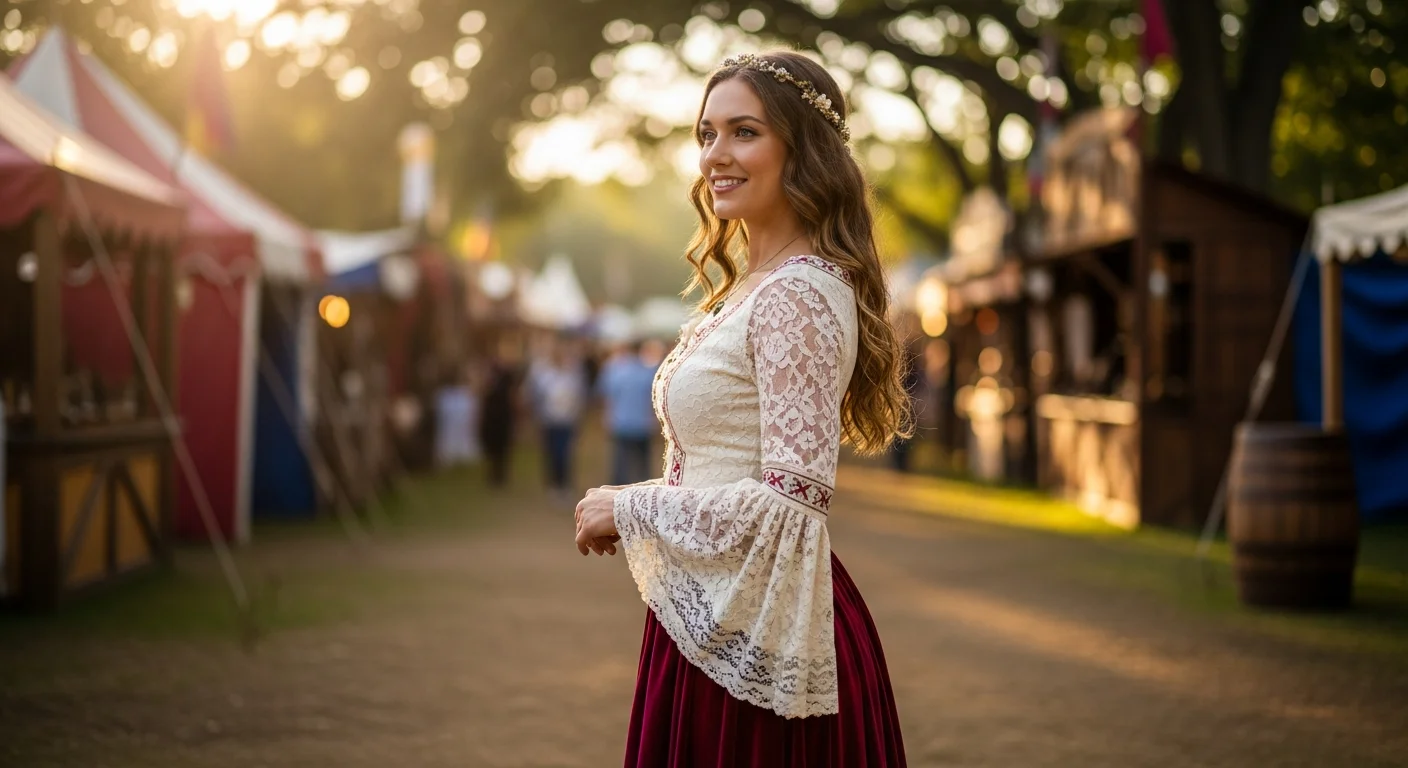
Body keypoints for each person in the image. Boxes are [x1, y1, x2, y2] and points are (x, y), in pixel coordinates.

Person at [572, 51, 911, 766]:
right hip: (715, 616)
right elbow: (719, 469)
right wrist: (639, 502)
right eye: (706, 134)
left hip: (761, 635)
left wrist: (628, 509)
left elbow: (793, 500)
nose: (716, 155)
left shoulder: (798, 295)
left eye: (743, 132)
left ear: (803, 149)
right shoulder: (754, 287)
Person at [528, 341, 588, 498]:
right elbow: (537, 396)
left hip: (567, 420)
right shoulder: (545, 375)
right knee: (551, 453)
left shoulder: (573, 374)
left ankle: (564, 484)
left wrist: (579, 416)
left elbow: (580, 396)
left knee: (565, 453)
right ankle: (554, 483)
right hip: (549, 420)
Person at [597, 341, 660, 486]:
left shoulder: (614, 371)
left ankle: (616, 493)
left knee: (621, 464)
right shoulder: (648, 372)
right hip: (642, 425)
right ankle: (643, 492)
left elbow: (606, 396)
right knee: (642, 466)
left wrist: (607, 416)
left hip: (621, 423)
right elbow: (653, 400)